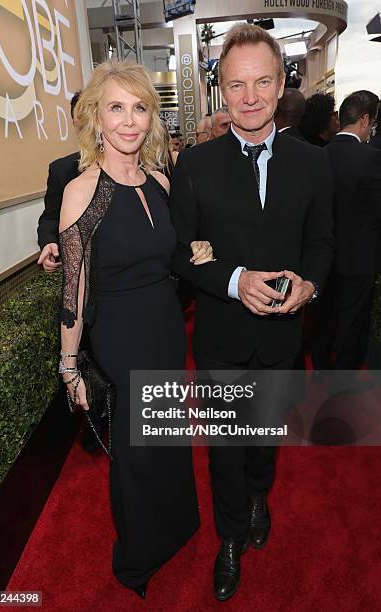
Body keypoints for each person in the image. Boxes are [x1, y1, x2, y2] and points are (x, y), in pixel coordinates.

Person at [169, 24, 334, 602]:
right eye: (237, 84)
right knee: (224, 450)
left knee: (264, 441)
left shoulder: (313, 163)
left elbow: (322, 241)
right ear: (221, 90)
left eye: (262, 81)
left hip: (284, 338)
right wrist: (234, 281)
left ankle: (261, 496)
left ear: (281, 80)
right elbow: (181, 251)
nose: (250, 96)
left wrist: (310, 285)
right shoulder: (195, 165)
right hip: (220, 338)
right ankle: (230, 537)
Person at [58, 61, 214, 598]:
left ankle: (177, 525)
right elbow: (73, 288)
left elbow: (172, 255)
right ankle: (140, 553)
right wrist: (69, 365)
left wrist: (194, 251)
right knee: (137, 448)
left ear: (152, 117)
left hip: (167, 326)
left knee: (169, 435)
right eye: (116, 108)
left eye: (139, 108)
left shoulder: (161, 182)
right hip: (121, 335)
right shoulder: (83, 192)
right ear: (96, 119)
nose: (129, 121)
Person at [312, 90, 381, 372]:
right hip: (360, 259)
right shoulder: (372, 158)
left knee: (324, 320)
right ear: (364, 120)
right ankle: (344, 382)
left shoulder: (317, 156)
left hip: (323, 258)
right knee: (353, 325)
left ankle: (320, 370)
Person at [37, 91, 82, 272]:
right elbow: (50, 218)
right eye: (81, 119)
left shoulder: (135, 169)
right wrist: (49, 242)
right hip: (79, 271)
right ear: (73, 122)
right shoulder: (61, 170)